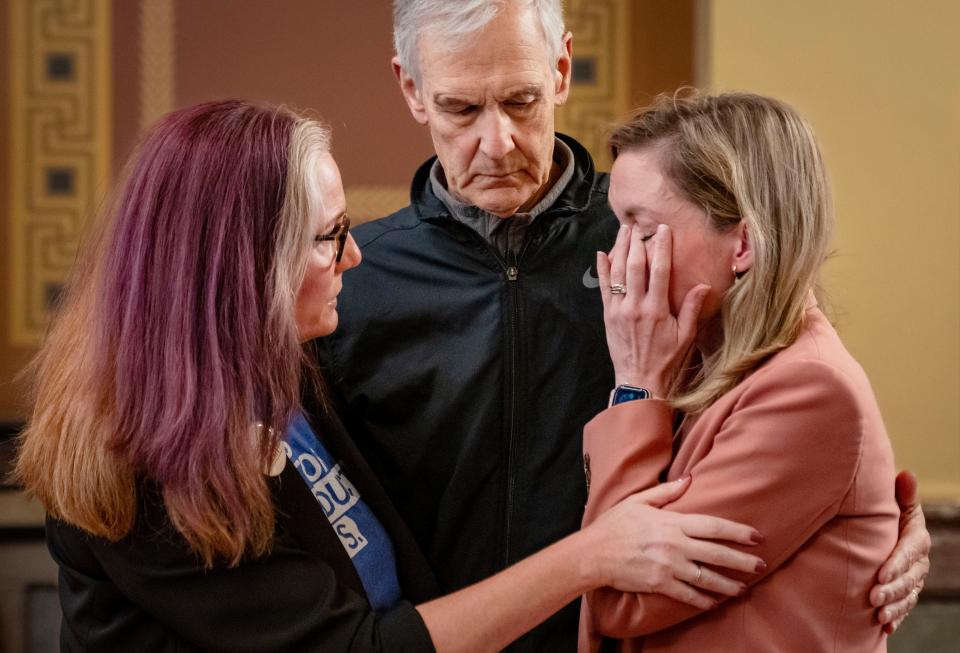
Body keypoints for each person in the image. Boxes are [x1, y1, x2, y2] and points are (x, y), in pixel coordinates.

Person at [15, 99, 769, 652]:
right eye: (327, 237)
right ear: (239, 271)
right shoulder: (140, 459)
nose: (354, 257)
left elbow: (771, 313)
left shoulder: (279, 371)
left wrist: (870, 511)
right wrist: (595, 552)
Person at [321, 1, 930, 650]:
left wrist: (891, 517)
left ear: (560, 70)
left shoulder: (665, 234)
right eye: (461, 109)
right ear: (412, 91)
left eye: (522, 101)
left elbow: (789, 373)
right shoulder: (349, 278)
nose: (496, 143)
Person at [578, 91, 906, 651]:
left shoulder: (809, 388)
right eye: (618, 226)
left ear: (744, 244)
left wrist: (635, 386)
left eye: (645, 229)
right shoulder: (705, 361)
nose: (618, 259)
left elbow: (620, 595)